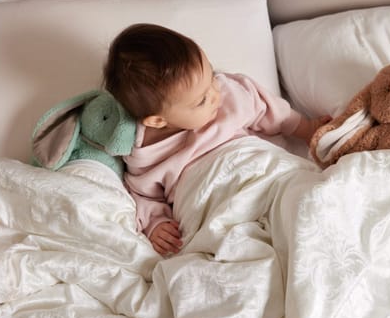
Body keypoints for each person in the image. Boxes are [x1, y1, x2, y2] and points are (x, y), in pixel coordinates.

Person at [103, 23, 330, 255]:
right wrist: (155, 224)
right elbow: (142, 194)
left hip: (254, 164)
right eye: (201, 101)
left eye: (211, 75)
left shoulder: (228, 93)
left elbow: (268, 109)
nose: (215, 94)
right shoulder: (145, 152)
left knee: (305, 199)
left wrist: (307, 128)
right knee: (230, 244)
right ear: (158, 121)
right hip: (205, 195)